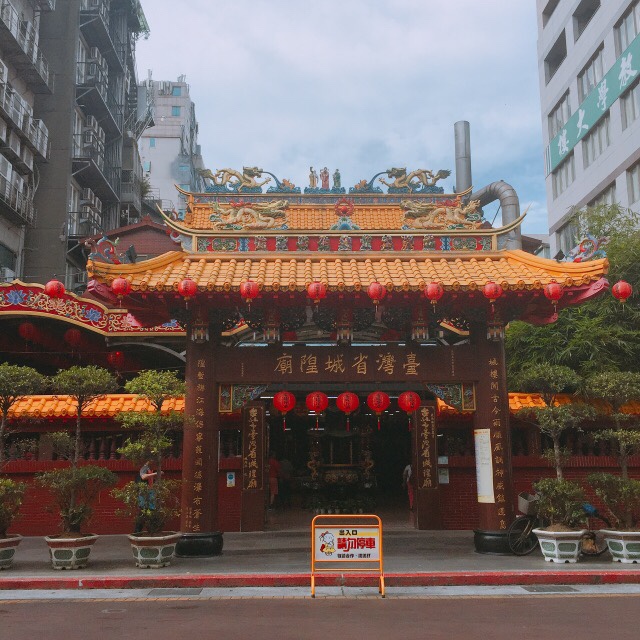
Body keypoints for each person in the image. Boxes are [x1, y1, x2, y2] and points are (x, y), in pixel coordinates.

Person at [134, 460, 157, 534]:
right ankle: (137, 531)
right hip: (144, 493)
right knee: (143, 511)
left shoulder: (150, 469)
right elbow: (143, 477)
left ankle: (151, 530)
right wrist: (156, 474)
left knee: (151, 512)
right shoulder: (145, 468)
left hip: (151, 492)